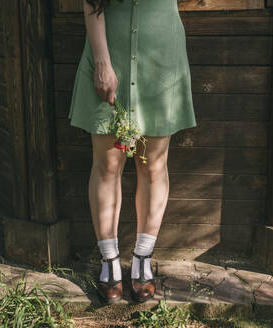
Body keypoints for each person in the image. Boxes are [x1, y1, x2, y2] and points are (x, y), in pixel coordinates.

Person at [68, 0, 197, 304]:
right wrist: (102, 63)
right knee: (107, 165)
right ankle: (109, 260)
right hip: (110, 59)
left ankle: (143, 258)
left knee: (153, 165)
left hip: (161, 61)